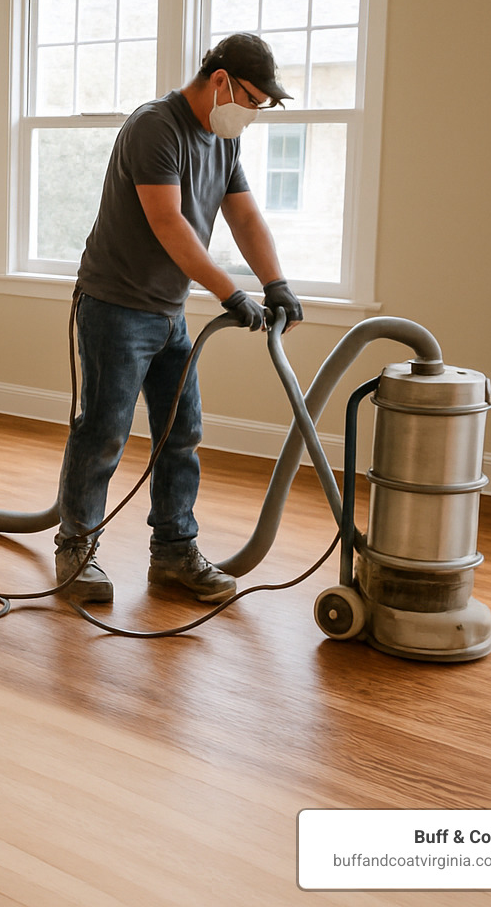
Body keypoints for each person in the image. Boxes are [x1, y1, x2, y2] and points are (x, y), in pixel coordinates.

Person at [54, 32, 304, 607]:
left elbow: (244, 217)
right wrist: (229, 292)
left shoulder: (223, 141)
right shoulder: (154, 127)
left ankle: (172, 551)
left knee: (181, 434)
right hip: (115, 306)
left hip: (169, 312)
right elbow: (169, 223)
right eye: (251, 102)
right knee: (103, 434)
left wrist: (276, 282)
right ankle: (76, 550)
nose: (250, 116)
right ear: (221, 81)